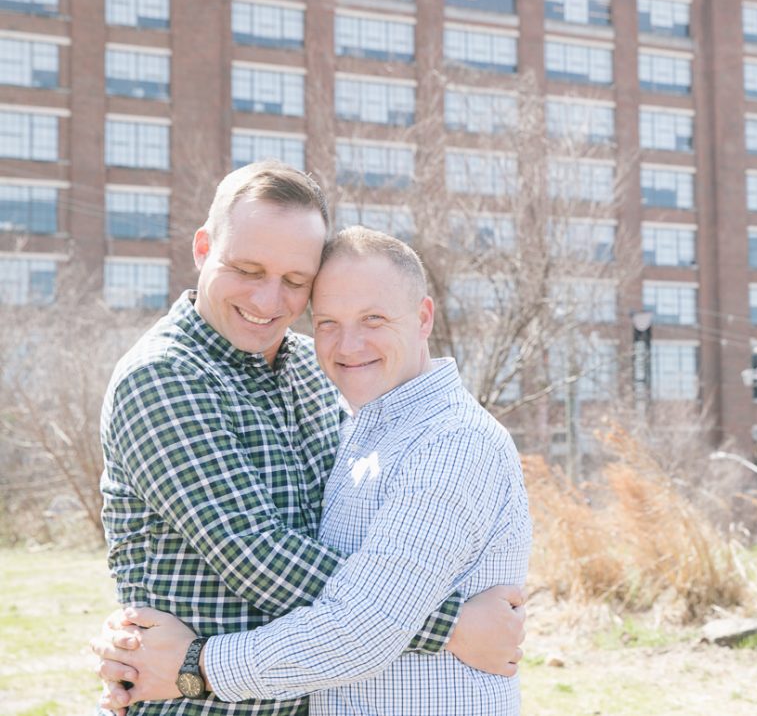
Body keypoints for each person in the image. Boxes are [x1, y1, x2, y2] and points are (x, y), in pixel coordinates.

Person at [96, 163, 524, 715]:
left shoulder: (311, 367)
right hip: (194, 704)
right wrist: (452, 625)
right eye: (247, 269)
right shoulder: (163, 378)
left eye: (295, 282)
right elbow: (255, 553)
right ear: (203, 248)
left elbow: (363, 531)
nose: (270, 300)